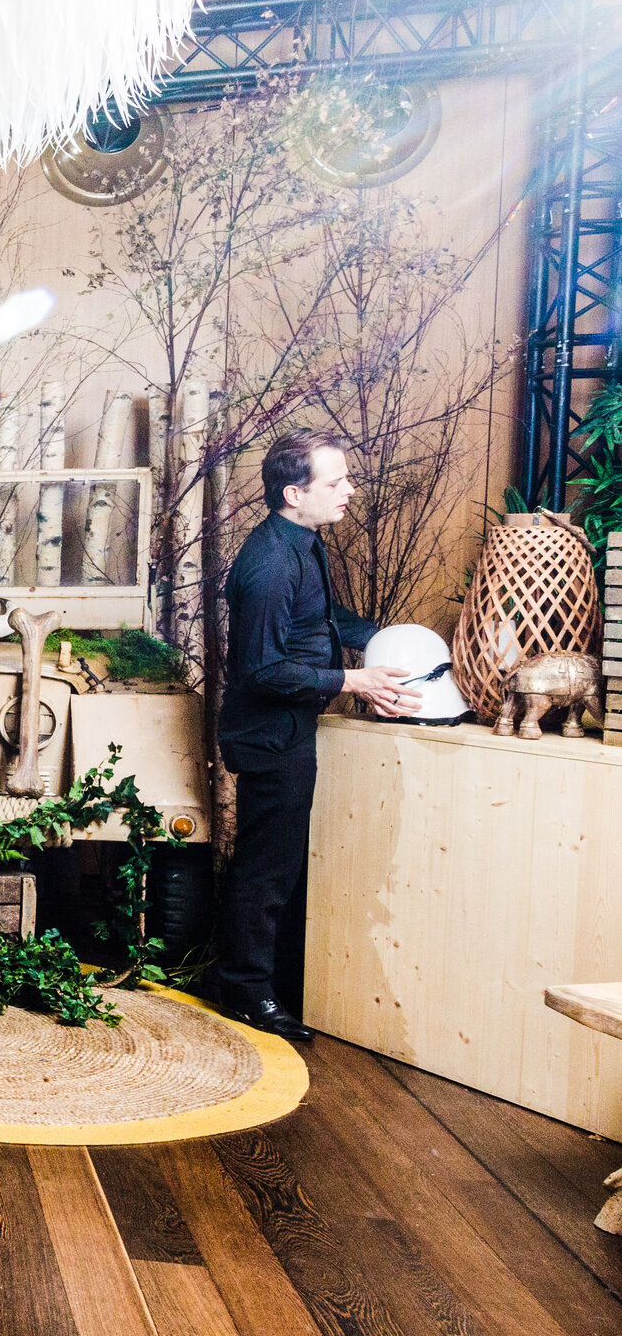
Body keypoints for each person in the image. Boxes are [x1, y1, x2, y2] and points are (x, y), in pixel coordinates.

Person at [210, 429, 418, 1043]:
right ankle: (245, 993)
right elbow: (261, 669)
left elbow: (324, 622)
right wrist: (355, 680)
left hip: (292, 728)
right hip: (269, 735)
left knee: (279, 868)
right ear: (294, 493)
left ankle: (267, 983)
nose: (350, 489)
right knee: (265, 872)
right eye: (337, 481)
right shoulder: (271, 564)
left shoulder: (302, 542)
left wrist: (395, 638)